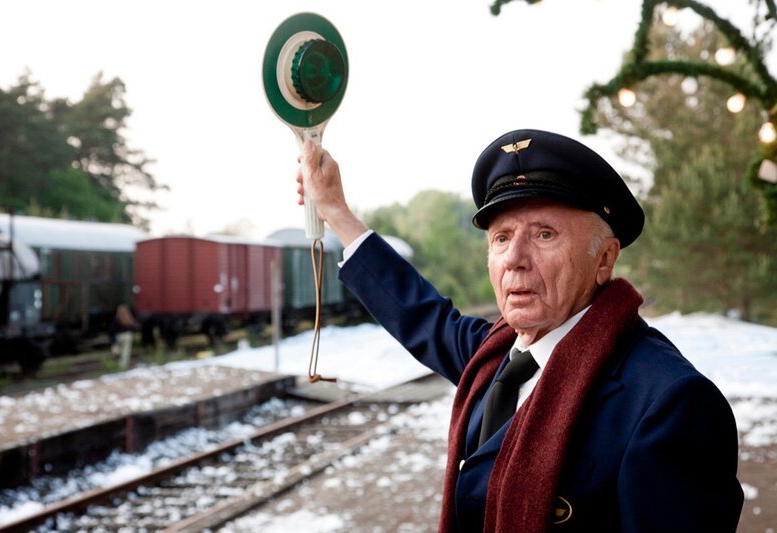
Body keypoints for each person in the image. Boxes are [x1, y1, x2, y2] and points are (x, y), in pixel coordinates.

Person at [296, 128, 743, 532]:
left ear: (604, 259)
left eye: (544, 234)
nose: (514, 258)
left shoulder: (669, 403)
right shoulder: (495, 357)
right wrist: (334, 208)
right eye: (502, 238)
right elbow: (420, 314)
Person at [110, 304, 137, 369]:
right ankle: (123, 366)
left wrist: (113, 341)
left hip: (118, 337)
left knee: (119, 351)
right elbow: (134, 329)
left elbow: (112, 331)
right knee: (125, 352)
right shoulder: (129, 319)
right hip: (127, 337)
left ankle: (118, 363)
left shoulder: (116, 319)